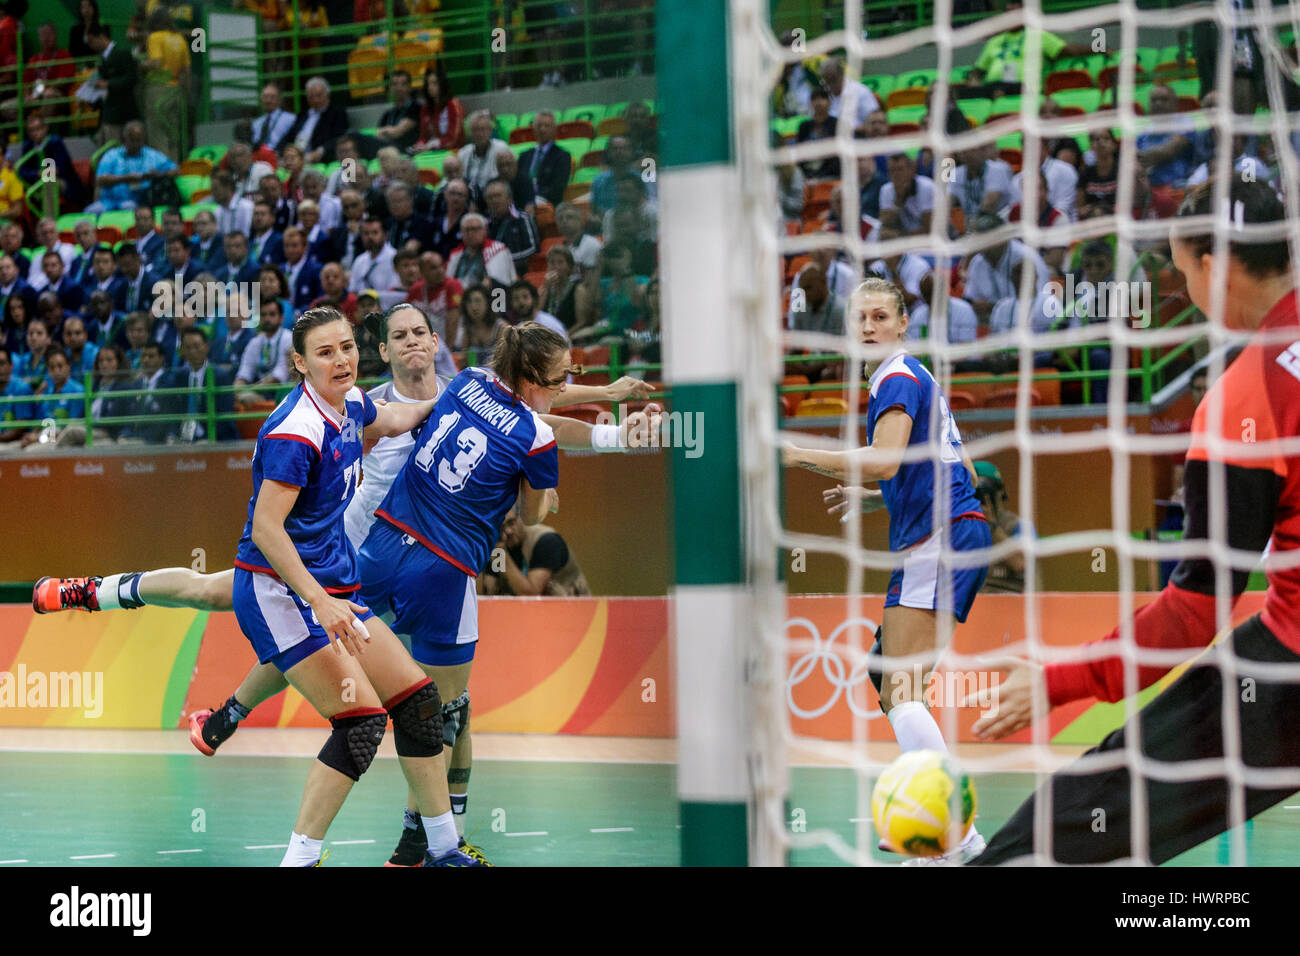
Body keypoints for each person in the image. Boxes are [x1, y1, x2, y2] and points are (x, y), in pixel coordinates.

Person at [967, 178, 1300, 866]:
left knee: (1071, 825)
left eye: (1183, 274)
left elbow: (1194, 612)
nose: (1187, 293)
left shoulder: (1247, 396)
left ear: (1216, 265)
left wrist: (1060, 680)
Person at [784, 276, 991, 864]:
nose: (870, 327)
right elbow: (962, 470)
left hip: (939, 539)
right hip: (952, 533)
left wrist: (799, 453)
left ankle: (954, 839)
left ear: (903, 323)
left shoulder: (896, 378)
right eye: (861, 319)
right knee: (890, 679)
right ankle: (937, 830)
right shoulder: (918, 378)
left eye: (881, 317)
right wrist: (886, 497)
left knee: (901, 687)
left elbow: (885, 459)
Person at [480, 511, 590, 597]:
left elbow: (531, 595)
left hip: (576, 614)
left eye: (511, 523)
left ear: (521, 519)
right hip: (533, 617)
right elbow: (489, 592)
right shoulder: (498, 547)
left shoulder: (546, 541)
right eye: (501, 527)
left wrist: (502, 556)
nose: (508, 531)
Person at [84, 22, 139, 145]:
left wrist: (107, 84)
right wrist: (88, 99)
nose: (91, 45)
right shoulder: (102, 60)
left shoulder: (122, 54)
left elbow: (131, 78)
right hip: (108, 115)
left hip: (123, 114)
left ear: (101, 37)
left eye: (92, 41)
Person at [276, 77, 349, 164]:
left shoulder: (337, 113)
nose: (315, 100)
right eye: (311, 96)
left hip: (316, 157)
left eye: (319, 95)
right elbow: (289, 136)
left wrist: (321, 150)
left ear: (327, 94)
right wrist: (278, 151)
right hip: (295, 154)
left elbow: (338, 137)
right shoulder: (302, 115)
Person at [412, 66, 465, 153]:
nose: (430, 87)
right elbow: (424, 136)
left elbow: (453, 139)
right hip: (431, 151)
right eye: (428, 84)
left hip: (453, 151)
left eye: (434, 84)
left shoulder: (453, 105)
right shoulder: (425, 108)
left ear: (442, 84)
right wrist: (419, 146)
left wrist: (431, 146)